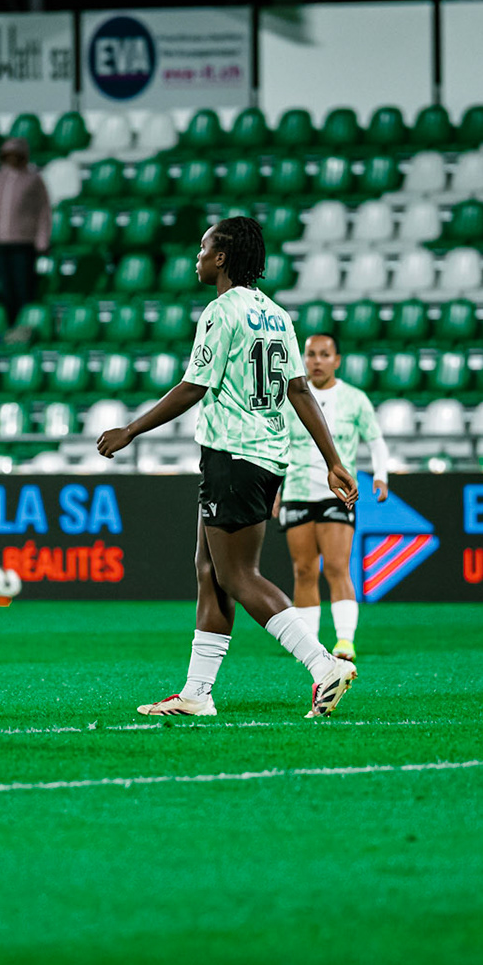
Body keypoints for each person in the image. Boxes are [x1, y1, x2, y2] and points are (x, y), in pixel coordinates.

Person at [96, 216, 359, 719]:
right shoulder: (278, 316)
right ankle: (197, 693)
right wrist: (333, 460)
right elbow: (299, 390)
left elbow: (194, 387)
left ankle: (323, 664)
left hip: (234, 456)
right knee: (210, 571)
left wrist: (130, 430)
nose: (196, 257)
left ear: (221, 258)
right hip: (264, 455)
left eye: (203, 247)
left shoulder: (222, 312)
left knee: (238, 575)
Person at [278, 333, 390, 662]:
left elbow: (376, 441)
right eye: (311, 354)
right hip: (297, 491)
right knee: (303, 570)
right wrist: (275, 490)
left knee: (338, 567)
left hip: (338, 493)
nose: (316, 361)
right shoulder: (291, 399)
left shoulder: (354, 399)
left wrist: (381, 476)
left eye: (324, 354)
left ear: (336, 360)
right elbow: (279, 445)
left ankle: (344, 642)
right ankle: (310, 646)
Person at [0, 136, 51, 327]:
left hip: (23, 242)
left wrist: (42, 240)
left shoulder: (33, 180)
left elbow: (43, 210)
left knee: (23, 287)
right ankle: (9, 326)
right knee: (5, 288)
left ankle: (25, 326)